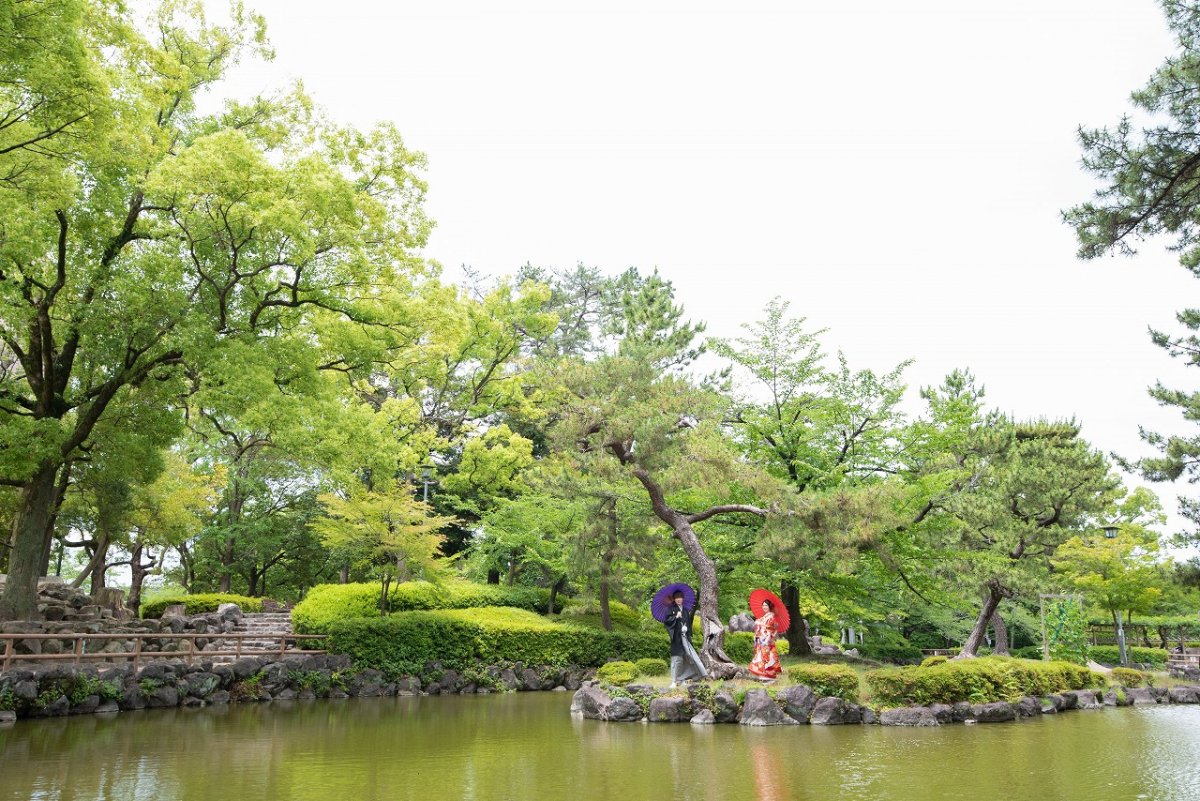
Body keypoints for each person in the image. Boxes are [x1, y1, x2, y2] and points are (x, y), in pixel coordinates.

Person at [664, 590, 708, 687]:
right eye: (677, 598)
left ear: (682, 599)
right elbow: (667, 622)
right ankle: (674, 680)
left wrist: (686, 629)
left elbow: (688, 623)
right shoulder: (671, 609)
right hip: (677, 638)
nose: (678, 599)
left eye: (680, 597)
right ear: (674, 599)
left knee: (688, 656)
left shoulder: (685, 611)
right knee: (677, 659)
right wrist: (675, 617)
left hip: (685, 637)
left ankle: (686, 678)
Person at [748, 598, 782, 680]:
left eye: (766, 605)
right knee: (760, 655)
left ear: (769, 606)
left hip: (767, 639)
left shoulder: (771, 617)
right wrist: (758, 624)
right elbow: (760, 626)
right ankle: (762, 673)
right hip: (761, 638)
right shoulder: (764, 616)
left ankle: (767, 674)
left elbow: (770, 629)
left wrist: (760, 624)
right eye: (763, 605)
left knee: (766, 655)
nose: (764, 607)